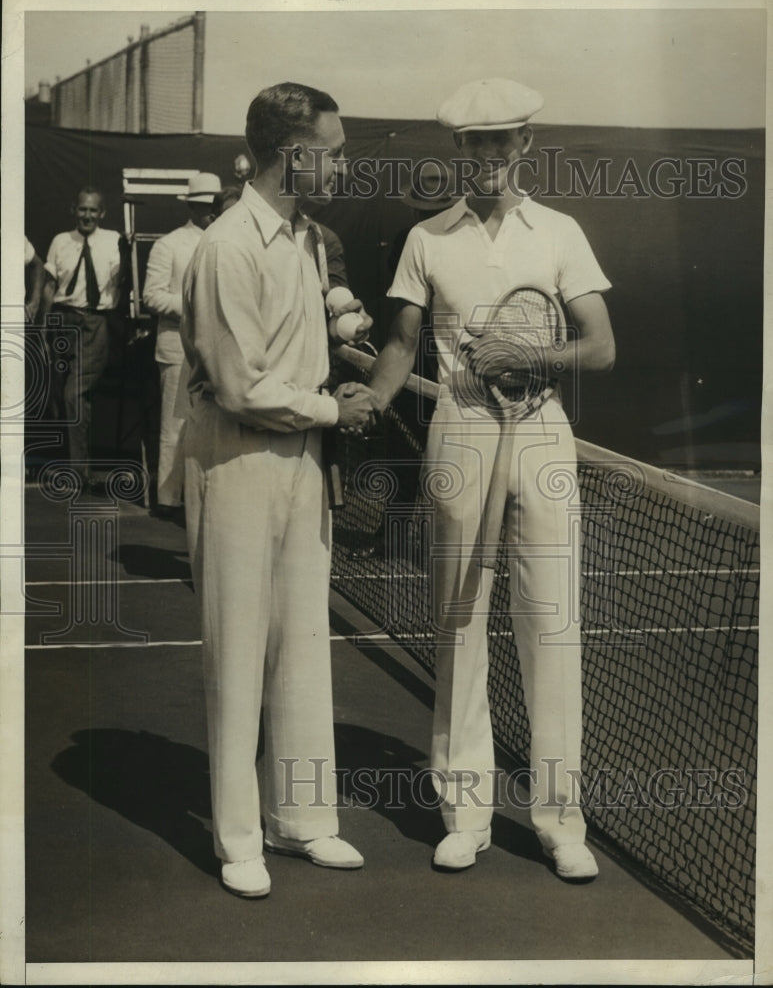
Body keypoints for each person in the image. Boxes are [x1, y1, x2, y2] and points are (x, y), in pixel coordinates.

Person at [366, 78, 615, 880]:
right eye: (473, 143)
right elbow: (400, 346)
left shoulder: (562, 232)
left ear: (524, 147)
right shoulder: (426, 238)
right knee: (456, 622)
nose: (486, 156)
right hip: (460, 434)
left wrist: (532, 358)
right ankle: (463, 814)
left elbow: (600, 346)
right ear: (459, 152)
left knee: (551, 623)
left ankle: (558, 821)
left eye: (500, 141)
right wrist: (366, 398)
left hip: (542, 435)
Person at [180, 81, 373, 898]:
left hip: (301, 461)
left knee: (300, 643)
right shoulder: (227, 246)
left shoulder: (305, 240)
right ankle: (237, 838)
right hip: (237, 465)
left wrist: (347, 383)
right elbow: (237, 387)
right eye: (332, 152)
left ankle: (300, 821)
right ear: (294, 155)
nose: (341, 166)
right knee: (240, 649)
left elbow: (295, 358)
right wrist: (335, 407)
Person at [142, 172, 221, 518]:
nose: (209, 212)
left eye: (213, 206)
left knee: (210, 424)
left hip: (217, 350)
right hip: (177, 347)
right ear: (190, 205)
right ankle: (169, 499)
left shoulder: (227, 241)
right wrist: (194, 306)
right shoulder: (169, 244)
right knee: (175, 424)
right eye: (203, 206)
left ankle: (199, 498)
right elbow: (152, 296)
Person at [40, 186, 127, 487]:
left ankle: (78, 472)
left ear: (101, 213)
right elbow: (50, 286)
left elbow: (124, 282)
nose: (87, 215)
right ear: (74, 210)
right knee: (66, 397)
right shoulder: (60, 241)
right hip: (62, 321)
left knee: (74, 395)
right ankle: (79, 466)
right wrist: (44, 326)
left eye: (93, 210)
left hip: (94, 323)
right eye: (82, 209)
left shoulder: (115, 240)